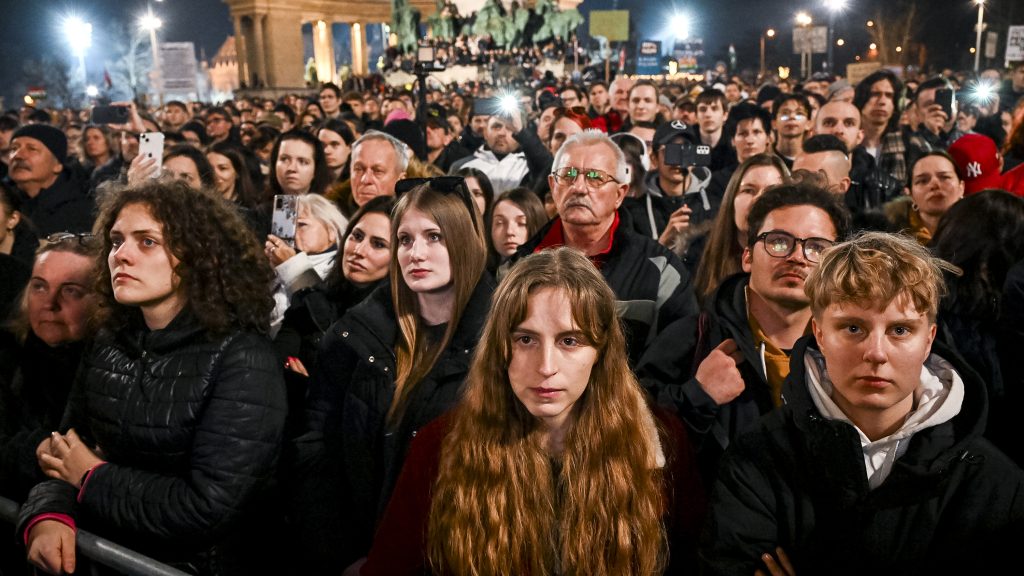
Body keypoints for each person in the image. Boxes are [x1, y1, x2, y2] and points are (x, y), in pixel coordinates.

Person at [359, 247, 707, 575]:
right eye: (526, 339)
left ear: (601, 350)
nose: (545, 366)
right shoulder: (441, 446)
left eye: (570, 341)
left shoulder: (659, 443)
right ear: (501, 348)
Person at [700, 231, 1024, 575]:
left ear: (928, 340)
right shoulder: (757, 459)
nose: (876, 353)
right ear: (819, 333)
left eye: (900, 330)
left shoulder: (995, 482)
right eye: (853, 328)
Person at [17, 180, 287, 575]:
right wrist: (50, 514)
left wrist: (92, 477)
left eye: (146, 242)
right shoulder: (108, 340)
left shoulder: (242, 360)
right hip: (99, 558)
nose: (120, 256)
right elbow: (67, 451)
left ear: (196, 255)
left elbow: (206, 508)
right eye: (115, 241)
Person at [291, 177, 494, 573]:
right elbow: (316, 448)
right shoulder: (356, 334)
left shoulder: (502, 340)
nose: (416, 253)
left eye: (434, 236)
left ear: (466, 241)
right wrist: (343, 556)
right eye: (405, 239)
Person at [639, 183, 849, 483]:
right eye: (779, 242)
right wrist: (697, 396)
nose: (797, 256)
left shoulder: (852, 349)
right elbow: (629, 435)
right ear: (747, 257)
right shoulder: (692, 339)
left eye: (816, 247)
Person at [504, 130, 699, 365]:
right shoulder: (515, 269)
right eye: (568, 175)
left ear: (619, 194)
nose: (579, 187)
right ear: (553, 186)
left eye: (595, 177)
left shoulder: (661, 272)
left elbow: (674, 364)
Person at [273, 196, 395, 420]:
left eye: (378, 244)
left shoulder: (394, 324)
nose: (358, 250)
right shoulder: (312, 299)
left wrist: (311, 384)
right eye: (356, 236)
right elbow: (275, 367)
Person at [692, 154, 789, 302]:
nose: (758, 199)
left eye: (771, 191)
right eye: (749, 190)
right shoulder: (697, 255)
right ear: (731, 200)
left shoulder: (800, 260)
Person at [265, 193, 348, 336]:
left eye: (302, 225)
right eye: (290, 225)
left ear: (331, 231)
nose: (293, 233)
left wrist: (291, 265)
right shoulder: (277, 264)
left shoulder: (340, 270)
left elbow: (318, 312)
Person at [7, 124, 94, 236]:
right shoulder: (5, 202)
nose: (18, 155)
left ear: (57, 165)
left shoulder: (83, 210)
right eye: (14, 148)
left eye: (32, 149)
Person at [885, 150, 964, 245]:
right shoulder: (889, 239)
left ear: (961, 187)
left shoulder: (982, 231)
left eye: (944, 177)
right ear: (910, 194)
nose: (934, 185)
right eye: (923, 180)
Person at [487, 186, 548, 272]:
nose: (509, 231)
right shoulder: (477, 277)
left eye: (521, 223)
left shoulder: (552, 274)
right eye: (500, 223)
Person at [268, 129, 332, 197]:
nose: (292, 168)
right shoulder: (258, 205)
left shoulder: (329, 206)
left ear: (316, 169)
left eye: (302, 162)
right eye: (284, 159)